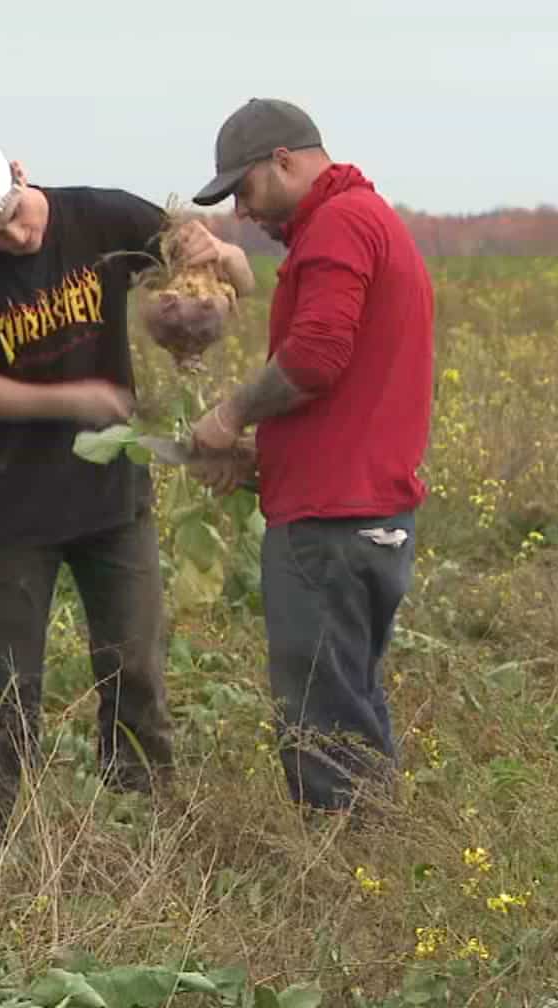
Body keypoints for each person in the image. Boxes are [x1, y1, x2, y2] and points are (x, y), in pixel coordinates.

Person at [0, 138, 254, 824]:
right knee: (9, 684)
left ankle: (143, 819)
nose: (14, 236)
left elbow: (237, 281)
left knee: (134, 665)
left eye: (15, 214)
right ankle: (2, 831)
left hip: (112, 498)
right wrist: (72, 402)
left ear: (20, 173)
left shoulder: (99, 216)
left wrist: (217, 258)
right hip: (12, 505)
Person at [184, 99, 435, 819]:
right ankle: (378, 857)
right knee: (347, 696)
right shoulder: (360, 219)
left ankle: (344, 872)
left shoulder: (338, 225)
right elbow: (347, 394)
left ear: (285, 161)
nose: (242, 209)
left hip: (333, 521)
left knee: (321, 715)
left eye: (246, 187)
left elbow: (319, 358)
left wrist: (229, 416)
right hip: (358, 507)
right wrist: (267, 457)